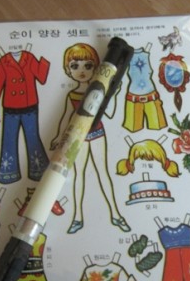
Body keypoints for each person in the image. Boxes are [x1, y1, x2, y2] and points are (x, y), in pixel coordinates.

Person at [50, 43, 130, 234]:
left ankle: (115, 215)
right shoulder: (71, 95)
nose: (82, 70)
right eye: (74, 66)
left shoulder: (101, 87)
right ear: (67, 70)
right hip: (79, 139)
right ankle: (77, 217)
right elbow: (65, 117)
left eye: (88, 65)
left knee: (103, 173)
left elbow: (109, 114)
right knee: (79, 175)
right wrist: (57, 137)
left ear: (96, 67)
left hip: (97, 134)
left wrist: (115, 92)